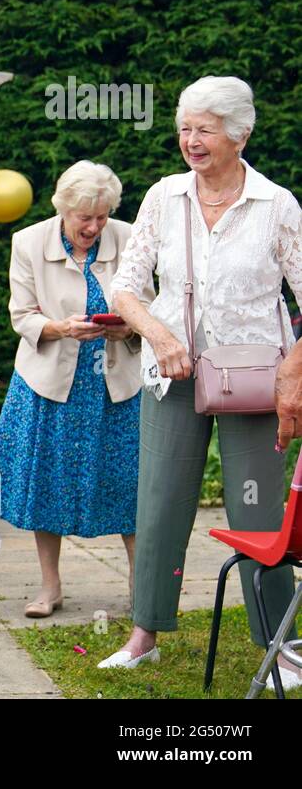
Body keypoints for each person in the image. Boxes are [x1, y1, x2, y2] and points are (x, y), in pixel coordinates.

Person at [101, 76, 301, 684]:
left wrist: (294, 364)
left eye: (204, 129)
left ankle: (279, 648)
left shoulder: (277, 205)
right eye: (185, 128)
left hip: (252, 380)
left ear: (239, 134)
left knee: (258, 513)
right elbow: (125, 287)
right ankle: (145, 634)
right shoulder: (164, 197)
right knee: (159, 503)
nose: (191, 140)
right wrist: (160, 338)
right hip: (173, 375)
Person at [0, 161, 149, 618]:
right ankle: (49, 588)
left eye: (102, 216)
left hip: (117, 383)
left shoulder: (131, 238)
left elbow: (150, 308)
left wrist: (127, 331)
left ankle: (142, 587)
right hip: (51, 383)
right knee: (47, 484)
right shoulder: (28, 242)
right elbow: (21, 315)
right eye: (84, 218)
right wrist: (59, 327)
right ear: (63, 209)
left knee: (130, 482)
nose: (94, 226)